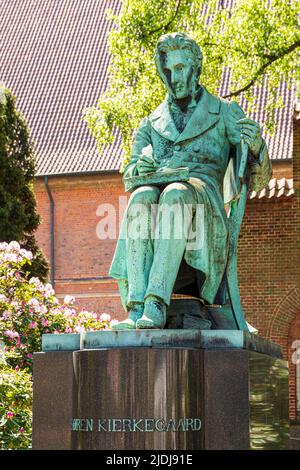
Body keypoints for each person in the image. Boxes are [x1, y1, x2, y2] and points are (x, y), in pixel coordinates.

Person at [109, 32, 272, 330]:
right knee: (140, 197)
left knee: (176, 193)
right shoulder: (150, 124)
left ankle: (155, 303)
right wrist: (140, 167)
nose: (174, 77)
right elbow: (129, 175)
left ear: (196, 68)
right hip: (160, 207)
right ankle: (136, 307)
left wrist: (257, 147)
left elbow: (258, 180)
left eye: (181, 68)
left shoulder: (224, 113)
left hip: (206, 216)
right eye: (168, 70)